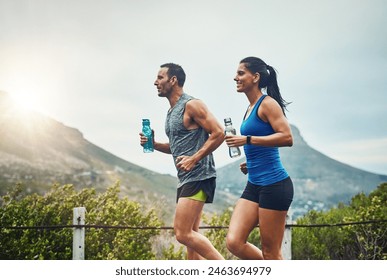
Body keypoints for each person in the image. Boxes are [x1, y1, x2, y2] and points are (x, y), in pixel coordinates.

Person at [140, 63, 224, 260]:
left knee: (182, 233)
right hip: (186, 178)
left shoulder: (192, 104)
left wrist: (194, 159)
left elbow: (218, 133)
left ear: (173, 80)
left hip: (199, 175)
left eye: (160, 77)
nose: (155, 82)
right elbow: (176, 147)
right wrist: (154, 144)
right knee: (191, 245)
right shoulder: (171, 112)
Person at [224, 56, 294, 260]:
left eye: (240, 73)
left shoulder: (268, 104)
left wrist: (246, 139)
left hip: (275, 185)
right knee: (234, 242)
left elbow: (287, 137)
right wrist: (252, 162)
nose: (235, 77)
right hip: (254, 183)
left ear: (255, 77)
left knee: (271, 252)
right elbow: (264, 140)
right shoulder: (250, 107)